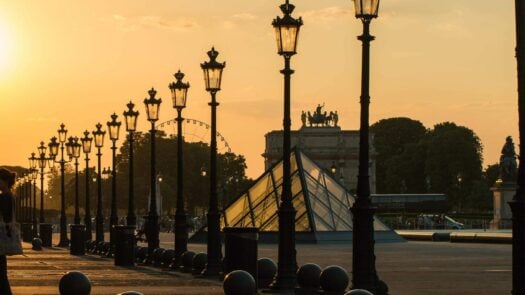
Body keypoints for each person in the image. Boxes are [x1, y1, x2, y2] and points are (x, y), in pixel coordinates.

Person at [0, 167, 17, 295]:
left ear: (4, 181)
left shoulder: (5, 197)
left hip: (0, 236)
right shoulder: (9, 195)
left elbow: (6, 218)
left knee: (1, 274)